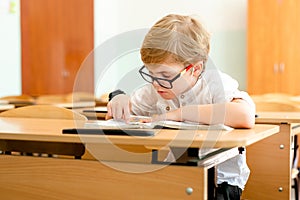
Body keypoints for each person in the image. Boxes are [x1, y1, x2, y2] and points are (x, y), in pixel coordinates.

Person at [106, 14, 255, 200]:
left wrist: (178, 114)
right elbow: (127, 106)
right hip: (175, 174)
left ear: (195, 69)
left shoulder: (216, 84)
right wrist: (119, 98)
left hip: (221, 181)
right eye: (151, 73)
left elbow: (244, 116)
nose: (156, 82)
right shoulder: (156, 90)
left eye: (165, 75)